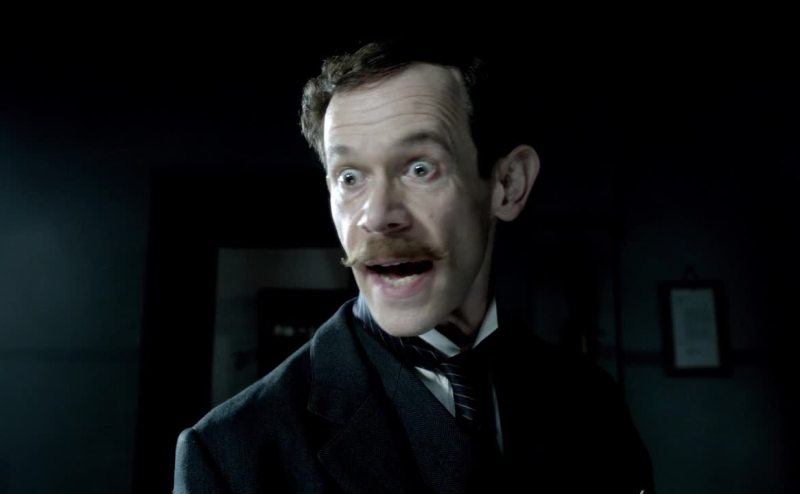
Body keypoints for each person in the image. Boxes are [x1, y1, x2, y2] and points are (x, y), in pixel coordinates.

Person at [174, 39, 655, 493]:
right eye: (350, 178)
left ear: (507, 184)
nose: (377, 216)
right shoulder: (230, 456)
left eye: (419, 168)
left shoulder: (592, 402)